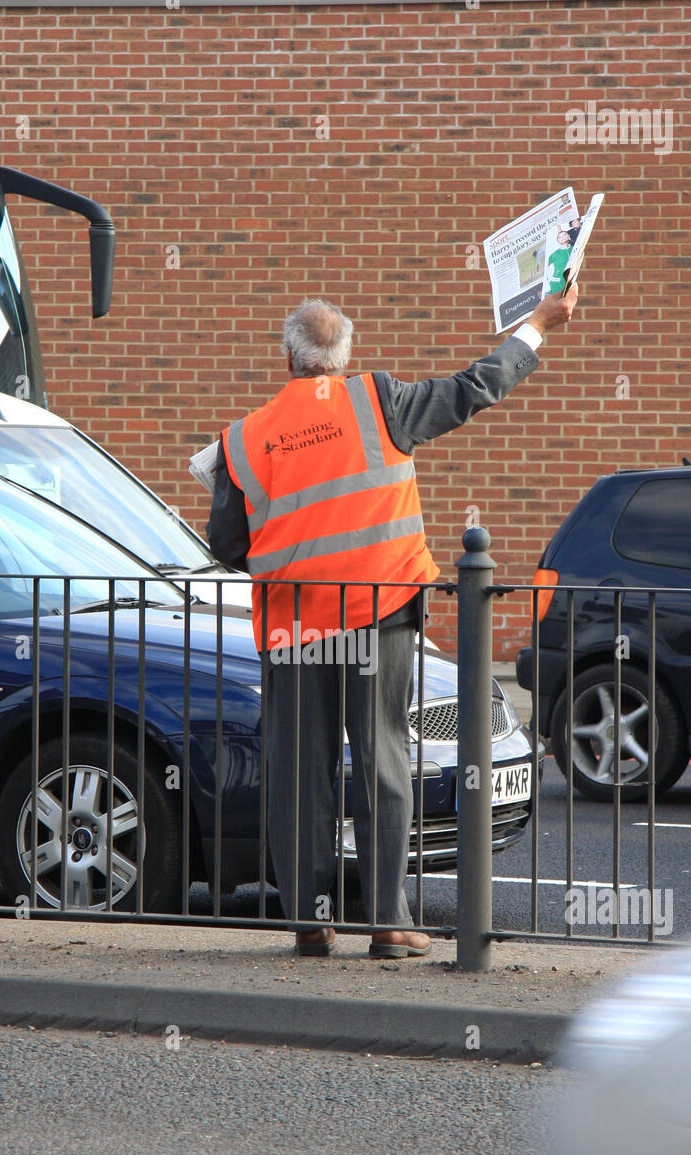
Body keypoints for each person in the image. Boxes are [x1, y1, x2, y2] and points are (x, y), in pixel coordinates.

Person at [207, 287, 579, 958]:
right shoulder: (381, 401)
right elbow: (475, 388)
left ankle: (310, 921)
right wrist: (538, 327)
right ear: (344, 359)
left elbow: (226, 545)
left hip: (293, 629)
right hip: (378, 619)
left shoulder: (246, 436)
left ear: (288, 359)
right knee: (381, 761)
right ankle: (388, 921)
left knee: (298, 772)